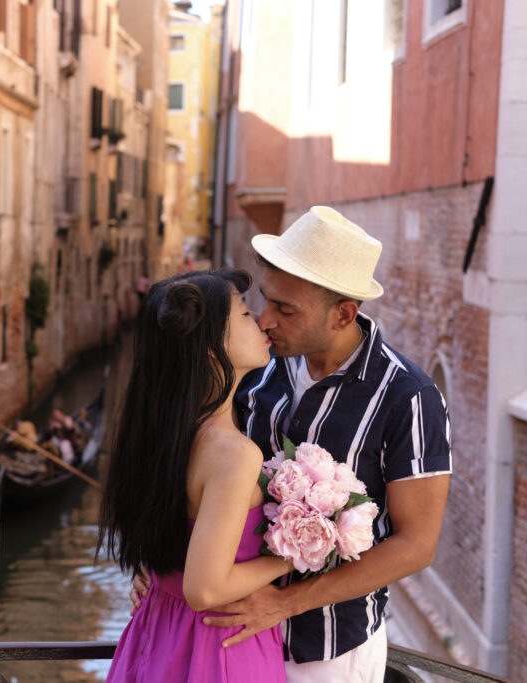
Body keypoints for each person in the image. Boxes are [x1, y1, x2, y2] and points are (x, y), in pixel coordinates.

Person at [131, 206, 452, 682]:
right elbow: (199, 470)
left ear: (343, 314)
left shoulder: (409, 398)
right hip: (226, 636)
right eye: (265, 301)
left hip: (326, 652)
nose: (264, 320)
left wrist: (286, 603)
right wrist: (160, 560)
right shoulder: (256, 365)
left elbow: (416, 545)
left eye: (286, 309)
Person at [99, 269, 293, 681]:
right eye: (243, 314)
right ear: (209, 348)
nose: (259, 319)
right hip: (217, 646)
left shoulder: (159, 433)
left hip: (158, 632)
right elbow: (204, 590)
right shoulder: (235, 454)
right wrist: (294, 554)